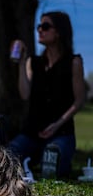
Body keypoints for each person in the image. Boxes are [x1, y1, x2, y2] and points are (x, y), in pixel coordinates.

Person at [7, 11, 86, 178]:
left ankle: (51, 161)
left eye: (45, 26)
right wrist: (21, 63)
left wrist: (57, 124)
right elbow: (24, 94)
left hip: (61, 132)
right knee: (7, 155)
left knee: (53, 157)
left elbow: (79, 100)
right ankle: (35, 160)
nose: (40, 30)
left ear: (58, 32)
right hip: (31, 133)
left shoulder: (74, 62)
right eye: (39, 26)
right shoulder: (33, 62)